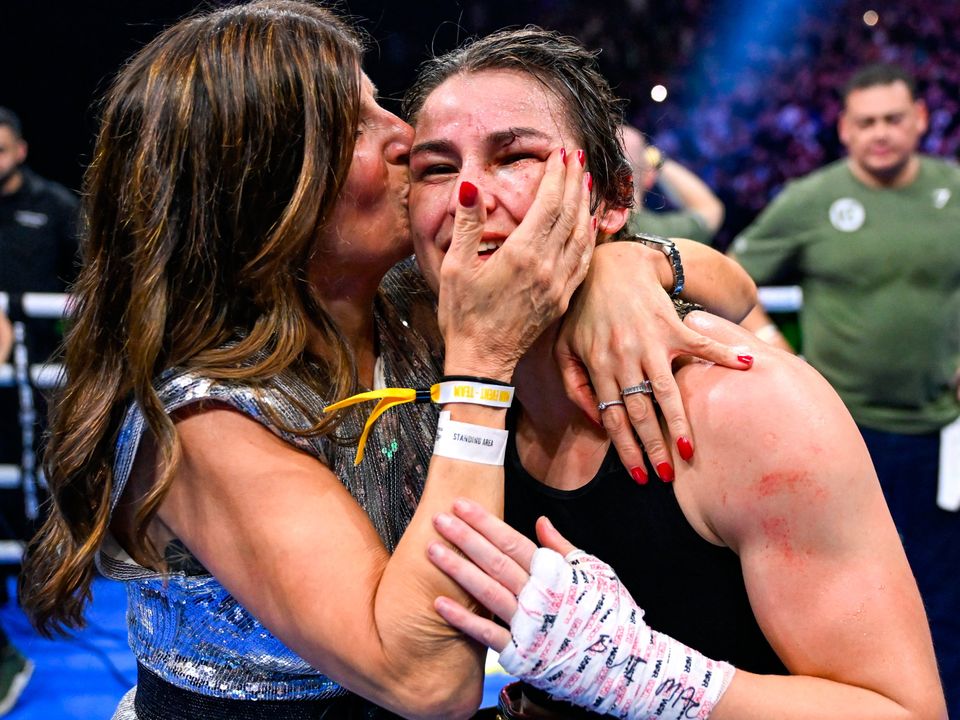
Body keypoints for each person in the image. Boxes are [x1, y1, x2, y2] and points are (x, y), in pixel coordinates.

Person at [17, 4, 754, 718]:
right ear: (269, 192)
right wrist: (481, 369)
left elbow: (736, 288)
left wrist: (627, 269)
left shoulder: (403, 303)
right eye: (357, 126)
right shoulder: (204, 418)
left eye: (381, 105)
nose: (404, 135)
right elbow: (427, 683)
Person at [400, 28, 945, 718]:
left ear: (613, 198)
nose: (469, 193)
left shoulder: (744, 405)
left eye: (517, 155)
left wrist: (642, 674)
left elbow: (904, 712)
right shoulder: (420, 370)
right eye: (436, 168)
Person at [730, 62, 960, 713]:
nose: (881, 133)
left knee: (943, 597)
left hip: (941, 436)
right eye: (866, 122)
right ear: (844, 129)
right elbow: (727, 279)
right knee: (840, 609)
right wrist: (778, 353)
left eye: (893, 119)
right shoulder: (811, 199)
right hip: (841, 436)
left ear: (920, 119)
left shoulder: (954, 190)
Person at [620, 123, 724, 243]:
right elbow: (711, 210)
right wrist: (656, 159)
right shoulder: (662, 233)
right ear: (649, 177)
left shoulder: (596, 227)